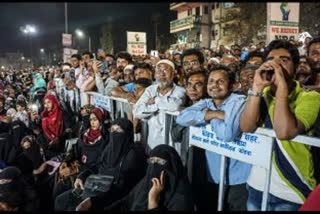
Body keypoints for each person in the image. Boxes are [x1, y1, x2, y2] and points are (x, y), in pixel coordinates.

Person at [240, 40, 320, 211]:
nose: (276, 64)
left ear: (297, 66)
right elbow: (246, 127)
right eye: (271, 60)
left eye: (284, 60)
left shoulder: (310, 97)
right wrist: (256, 87)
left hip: (291, 189)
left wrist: (282, 88)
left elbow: (284, 131)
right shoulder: (262, 93)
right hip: (257, 185)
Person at [176, 64, 251, 211]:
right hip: (214, 174)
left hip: (237, 178)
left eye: (220, 81)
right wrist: (214, 114)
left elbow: (227, 134)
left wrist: (208, 117)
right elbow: (181, 118)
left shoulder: (239, 100)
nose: (214, 85)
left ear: (233, 86)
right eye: (211, 81)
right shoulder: (207, 102)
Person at [54, 118, 147, 211]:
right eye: (112, 130)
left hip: (109, 196)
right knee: (61, 200)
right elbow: (97, 165)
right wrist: (82, 176)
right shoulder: (109, 149)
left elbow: (123, 188)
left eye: (118, 130)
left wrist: (93, 201)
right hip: (95, 186)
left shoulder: (134, 154)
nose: (114, 133)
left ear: (127, 133)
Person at [105, 144, 194, 211]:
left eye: (160, 162)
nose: (154, 165)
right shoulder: (144, 183)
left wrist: (153, 200)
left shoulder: (181, 199)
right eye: (152, 160)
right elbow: (126, 202)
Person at [52, 107, 109, 200]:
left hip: (90, 175)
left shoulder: (105, 140)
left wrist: (77, 169)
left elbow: (99, 164)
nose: (92, 122)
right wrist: (66, 161)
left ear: (101, 120)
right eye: (91, 119)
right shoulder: (85, 135)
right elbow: (75, 151)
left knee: (62, 197)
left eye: (95, 119)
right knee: (58, 186)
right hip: (79, 171)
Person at [133, 59, 186, 153]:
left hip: (171, 143)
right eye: (158, 71)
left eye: (166, 70)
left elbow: (174, 106)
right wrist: (156, 106)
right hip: (151, 141)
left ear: (173, 74)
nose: (162, 74)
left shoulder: (181, 91)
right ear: (155, 74)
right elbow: (137, 111)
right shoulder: (150, 90)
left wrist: (154, 101)